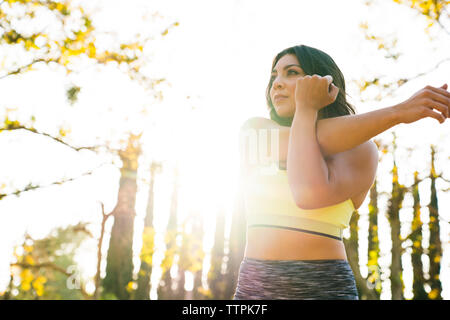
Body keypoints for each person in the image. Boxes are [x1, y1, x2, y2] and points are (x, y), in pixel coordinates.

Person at [234, 44, 449, 300]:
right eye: (274, 76)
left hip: (327, 286)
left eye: (291, 72)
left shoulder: (361, 150)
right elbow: (316, 138)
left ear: (326, 83)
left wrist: (306, 109)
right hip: (257, 286)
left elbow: (308, 193)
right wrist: (397, 113)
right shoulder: (256, 131)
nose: (277, 83)